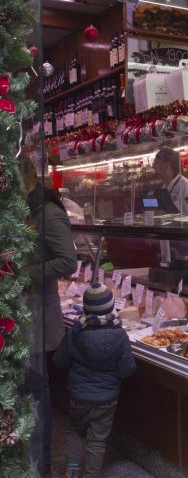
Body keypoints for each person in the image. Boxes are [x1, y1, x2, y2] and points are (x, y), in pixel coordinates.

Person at [20, 154, 78, 476]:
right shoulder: (24, 212)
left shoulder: (49, 213)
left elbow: (68, 261)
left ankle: (40, 466)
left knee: (36, 390)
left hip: (38, 314)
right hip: (23, 314)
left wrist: (27, 272)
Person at [54, 281, 136, 478]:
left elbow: (59, 361)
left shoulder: (75, 332)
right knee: (97, 440)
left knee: (75, 431)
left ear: (86, 308)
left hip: (79, 396)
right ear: (110, 307)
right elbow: (127, 370)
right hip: (106, 399)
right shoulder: (120, 334)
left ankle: (72, 472)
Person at [152, 147, 188, 213]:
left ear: (167, 165)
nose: (153, 167)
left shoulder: (187, 188)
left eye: (156, 163)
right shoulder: (163, 188)